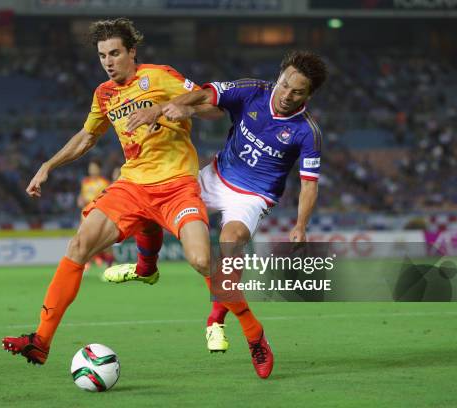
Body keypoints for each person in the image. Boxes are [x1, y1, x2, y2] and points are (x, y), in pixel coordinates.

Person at [2, 18, 247, 372]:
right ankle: (40, 341)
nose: (108, 61)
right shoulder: (104, 94)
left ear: (131, 52)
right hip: (132, 185)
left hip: (176, 183)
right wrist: (48, 165)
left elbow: (214, 106)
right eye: (102, 55)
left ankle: (248, 331)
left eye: (115, 53)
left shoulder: (160, 76)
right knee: (78, 246)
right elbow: (87, 137)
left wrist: (170, 108)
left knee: (201, 261)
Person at [107, 50, 328, 378]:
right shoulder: (254, 90)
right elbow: (209, 91)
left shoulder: (307, 132)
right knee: (149, 202)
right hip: (215, 175)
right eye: (284, 85)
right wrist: (181, 105)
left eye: (297, 92)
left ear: (309, 95)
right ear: (278, 78)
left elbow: (309, 184)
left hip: (253, 196)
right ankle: (145, 268)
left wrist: (300, 226)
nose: (286, 95)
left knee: (230, 241)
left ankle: (218, 320)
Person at [76, 159, 114, 269]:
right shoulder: (85, 182)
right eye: (90, 168)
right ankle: (85, 264)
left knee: (104, 241)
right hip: (85, 214)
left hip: (99, 214)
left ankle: (109, 264)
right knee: (85, 240)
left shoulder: (104, 182)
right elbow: (82, 196)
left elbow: (107, 198)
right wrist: (80, 200)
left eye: (94, 168)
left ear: (99, 169)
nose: (92, 170)